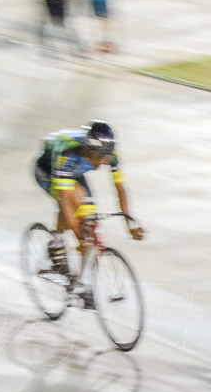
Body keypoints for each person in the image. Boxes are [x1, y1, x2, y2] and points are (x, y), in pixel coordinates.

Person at [32, 121, 143, 289]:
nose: (105, 161)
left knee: (89, 222)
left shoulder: (108, 153)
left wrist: (130, 222)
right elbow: (64, 200)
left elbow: (120, 187)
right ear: (88, 149)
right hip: (47, 171)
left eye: (107, 156)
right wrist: (79, 235)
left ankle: (81, 284)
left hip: (74, 173)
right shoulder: (67, 152)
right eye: (100, 157)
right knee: (73, 197)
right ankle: (56, 244)